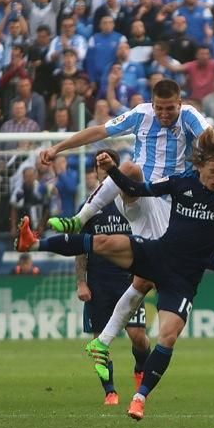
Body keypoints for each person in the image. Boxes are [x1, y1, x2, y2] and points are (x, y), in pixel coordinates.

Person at [17, 128, 214, 420]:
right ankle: (34, 243)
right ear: (199, 165)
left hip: (185, 277)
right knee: (104, 242)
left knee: (168, 336)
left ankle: (139, 398)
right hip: (158, 254)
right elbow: (137, 190)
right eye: (213, 172)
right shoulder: (181, 181)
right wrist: (114, 171)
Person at [38, 79, 210, 375]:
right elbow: (98, 131)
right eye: (160, 108)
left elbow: (211, 139)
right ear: (152, 103)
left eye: (170, 108)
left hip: (170, 208)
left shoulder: (191, 116)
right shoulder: (141, 114)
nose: (165, 114)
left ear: (179, 104)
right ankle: (81, 217)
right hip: (138, 193)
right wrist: (58, 147)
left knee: (144, 281)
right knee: (129, 168)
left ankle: (102, 342)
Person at [76, 148, 150, 406]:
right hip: (98, 281)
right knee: (99, 341)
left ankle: (140, 370)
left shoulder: (132, 201)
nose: (104, 170)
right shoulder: (88, 208)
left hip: (129, 279)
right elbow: (80, 247)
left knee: (138, 337)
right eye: (100, 166)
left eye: (110, 166)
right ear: (96, 172)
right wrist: (81, 281)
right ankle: (110, 391)